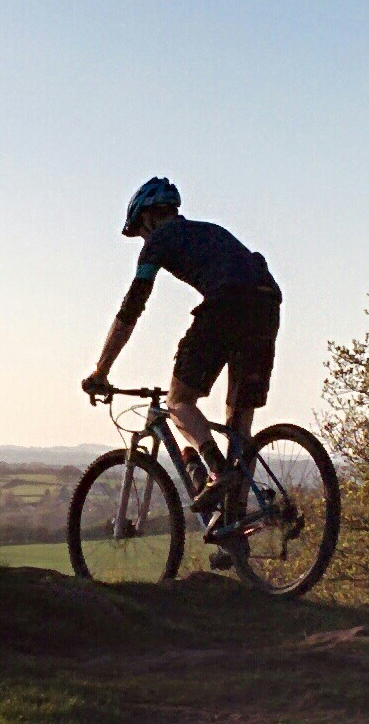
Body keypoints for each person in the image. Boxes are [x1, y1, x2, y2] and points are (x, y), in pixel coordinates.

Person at [81, 177, 281, 540]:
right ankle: (233, 527)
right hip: (267, 305)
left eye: (140, 233)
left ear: (147, 220)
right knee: (238, 425)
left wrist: (101, 369)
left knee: (178, 402)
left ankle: (217, 472)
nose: (143, 241)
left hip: (228, 304)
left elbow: (132, 308)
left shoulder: (159, 240)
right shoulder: (209, 231)